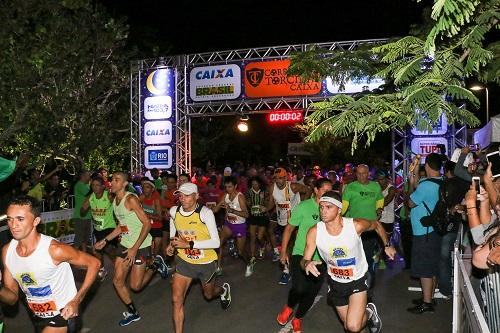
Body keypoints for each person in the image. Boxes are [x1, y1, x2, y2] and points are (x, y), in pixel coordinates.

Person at [0, 196, 100, 332]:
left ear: (36, 221)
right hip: (36, 316)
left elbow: (94, 263)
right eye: (10, 219)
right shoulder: (7, 251)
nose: (13, 225)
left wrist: (77, 300)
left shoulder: (54, 249)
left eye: (20, 219)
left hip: (63, 314)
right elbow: (12, 298)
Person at [302, 191, 396, 333]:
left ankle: (369, 312)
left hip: (358, 279)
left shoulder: (355, 225)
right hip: (335, 282)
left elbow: (376, 225)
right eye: (321, 207)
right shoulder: (315, 232)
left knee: (353, 326)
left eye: (329, 207)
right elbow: (304, 259)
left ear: (339, 210)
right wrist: (306, 264)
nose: (323, 211)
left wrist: (387, 245)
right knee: (350, 326)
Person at [94, 172, 163, 326]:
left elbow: (147, 224)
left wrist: (134, 248)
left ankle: (155, 265)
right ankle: (133, 313)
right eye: (112, 179)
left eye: (116, 180)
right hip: (125, 244)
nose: (112, 182)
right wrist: (105, 240)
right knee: (117, 281)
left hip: (141, 245)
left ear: (125, 184)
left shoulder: (130, 199)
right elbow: (121, 226)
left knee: (135, 286)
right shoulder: (114, 201)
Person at [166, 182, 231, 333]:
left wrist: (188, 244)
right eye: (180, 195)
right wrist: (172, 243)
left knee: (209, 295)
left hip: (206, 262)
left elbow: (216, 242)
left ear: (196, 196)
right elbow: (173, 223)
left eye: (187, 195)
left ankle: (222, 291)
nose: (182, 198)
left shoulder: (205, 213)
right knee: (176, 300)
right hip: (185, 262)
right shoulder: (174, 211)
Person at [277, 178, 332, 333]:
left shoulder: (332, 209)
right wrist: (283, 252)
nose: (328, 194)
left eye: (330, 190)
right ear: (316, 190)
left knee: (312, 292)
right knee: (300, 288)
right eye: (325, 190)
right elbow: (288, 229)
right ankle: (288, 307)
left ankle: (298, 318)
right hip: (300, 254)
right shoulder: (304, 206)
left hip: (321, 259)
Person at [406, 153, 443, 314]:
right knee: (432, 266)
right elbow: (416, 186)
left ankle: (427, 303)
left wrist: (408, 191)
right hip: (434, 230)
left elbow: (411, 202)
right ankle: (429, 297)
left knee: (424, 268)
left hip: (424, 232)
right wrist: (413, 172)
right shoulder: (439, 182)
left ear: (427, 165)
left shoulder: (427, 186)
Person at [342, 164, 385, 297]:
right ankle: (353, 286)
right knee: (352, 258)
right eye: (359, 173)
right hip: (354, 229)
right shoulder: (350, 187)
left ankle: (367, 289)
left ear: (368, 174)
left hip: (370, 229)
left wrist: (379, 209)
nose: (361, 176)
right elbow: (343, 207)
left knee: (367, 260)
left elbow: (380, 200)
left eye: (364, 173)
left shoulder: (375, 186)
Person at [266, 167, 311, 285]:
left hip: (295, 221)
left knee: (293, 245)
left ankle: (288, 270)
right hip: (282, 220)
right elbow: (271, 203)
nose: (278, 180)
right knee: (286, 245)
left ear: (285, 178)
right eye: (276, 178)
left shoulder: (293, 186)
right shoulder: (272, 188)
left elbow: (307, 190)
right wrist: (264, 208)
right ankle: (292, 266)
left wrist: (303, 205)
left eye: (281, 178)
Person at [80, 176, 117, 281]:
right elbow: (82, 212)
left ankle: (119, 269)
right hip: (97, 229)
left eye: (97, 185)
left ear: (102, 187)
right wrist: (84, 207)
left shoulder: (108, 196)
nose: (95, 187)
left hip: (109, 228)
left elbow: (118, 203)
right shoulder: (90, 197)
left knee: (110, 251)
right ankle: (102, 270)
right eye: (93, 185)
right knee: (97, 251)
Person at [212, 176, 251, 276]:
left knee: (240, 252)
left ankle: (249, 263)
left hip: (239, 226)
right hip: (228, 224)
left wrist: (232, 210)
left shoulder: (240, 197)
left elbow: (246, 214)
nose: (227, 189)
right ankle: (218, 267)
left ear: (235, 186)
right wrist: (212, 209)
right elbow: (216, 210)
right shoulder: (225, 196)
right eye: (226, 187)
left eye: (230, 187)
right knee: (218, 244)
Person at [245, 176, 269, 267]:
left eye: (256, 184)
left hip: (262, 217)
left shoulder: (265, 191)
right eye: (253, 184)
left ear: (260, 183)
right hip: (253, 217)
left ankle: (263, 245)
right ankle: (252, 256)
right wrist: (248, 203)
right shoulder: (248, 192)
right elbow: (247, 202)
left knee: (259, 236)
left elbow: (268, 202)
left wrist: (265, 207)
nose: (254, 185)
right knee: (252, 237)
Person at [72, 170, 92, 252]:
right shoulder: (79, 185)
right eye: (88, 175)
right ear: (82, 176)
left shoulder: (86, 185)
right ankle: (73, 256)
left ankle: (84, 253)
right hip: (80, 215)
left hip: (87, 215)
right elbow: (90, 194)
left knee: (85, 237)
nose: (89, 177)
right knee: (79, 237)